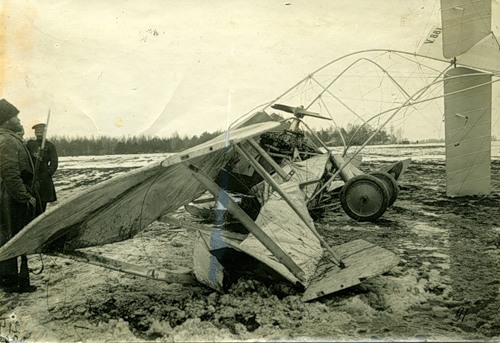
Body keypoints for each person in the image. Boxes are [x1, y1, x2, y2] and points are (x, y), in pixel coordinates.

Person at [0, 99, 38, 293]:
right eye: (15, 116)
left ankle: (14, 279)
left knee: (12, 234)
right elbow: (10, 173)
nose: (18, 119)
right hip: (10, 197)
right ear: (6, 120)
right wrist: (24, 196)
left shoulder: (9, 138)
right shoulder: (6, 140)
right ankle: (9, 281)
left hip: (11, 194)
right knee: (10, 236)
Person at [26, 123, 58, 212]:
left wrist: (48, 173)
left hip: (44, 179)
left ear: (45, 133)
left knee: (42, 203)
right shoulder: (30, 145)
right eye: (37, 132)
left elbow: (54, 163)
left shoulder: (50, 146)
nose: (39, 134)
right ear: (35, 133)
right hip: (32, 176)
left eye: (41, 132)